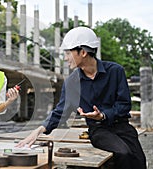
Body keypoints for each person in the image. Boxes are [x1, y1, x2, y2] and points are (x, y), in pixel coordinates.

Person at [16, 27, 146, 169]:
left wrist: (103, 115)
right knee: (123, 153)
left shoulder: (116, 71)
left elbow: (124, 105)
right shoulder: (72, 82)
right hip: (99, 131)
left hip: (122, 127)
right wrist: (40, 130)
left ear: (83, 52)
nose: (65, 58)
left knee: (139, 160)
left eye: (68, 53)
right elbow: (61, 111)